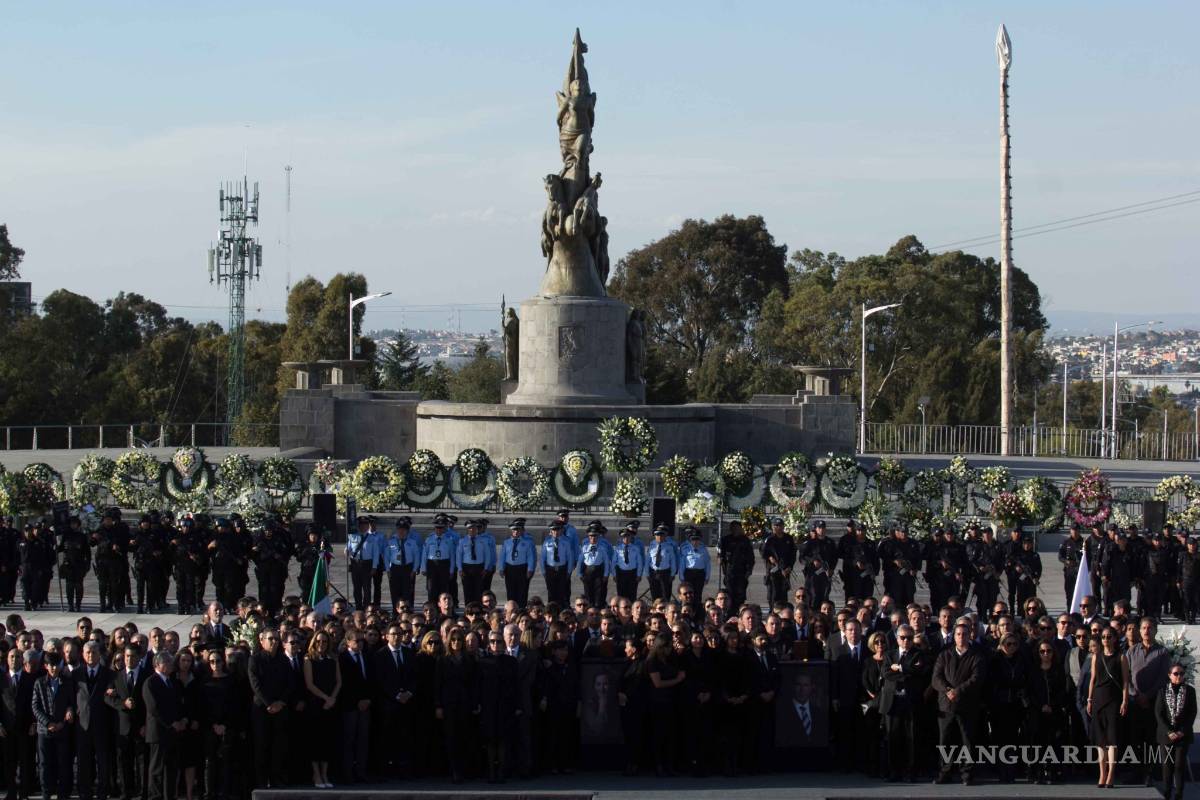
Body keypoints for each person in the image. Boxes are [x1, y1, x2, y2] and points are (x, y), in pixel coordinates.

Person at [931, 622, 984, 785]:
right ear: (954, 636)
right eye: (958, 634)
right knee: (945, 740)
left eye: (965, 634)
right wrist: (948, 690)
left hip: (967, 705)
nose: (962, 637)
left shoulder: (977, 655)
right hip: (945, 705)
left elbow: (976, 679)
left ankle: (967, 774)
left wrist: (958, 691)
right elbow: (936, 678)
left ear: (970, 636)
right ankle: (944, 772)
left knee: (967, 741)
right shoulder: (944, 654)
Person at [248, 629, 292, 789]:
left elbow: (289, 684)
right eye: (270, 639)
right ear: (262, 641)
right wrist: (269, 704)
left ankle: (276, 778)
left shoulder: (283, 660)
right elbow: (255, 685)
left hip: (280, 709)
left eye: (276, 639)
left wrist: (280, 702)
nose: (274, 642)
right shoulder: (255, 659)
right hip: (262, 710)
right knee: (261, 746)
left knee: (278, 746)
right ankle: (261, 780)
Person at [1087, 627, 1130, 789]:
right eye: (1103, 637)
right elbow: (1092, 679)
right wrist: (1090, 699)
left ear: (1114, 638)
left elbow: (1126, 681)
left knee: (1112, 740)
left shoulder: (1121, 657)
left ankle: (1111, 773)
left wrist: (1125, 700)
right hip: (1098, 699)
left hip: (1114, 701)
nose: (1105, 639)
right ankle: (1102, 773)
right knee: (1100, 741)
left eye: (1109, 636)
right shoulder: (1096, 656)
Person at [435, 628, 479, 784]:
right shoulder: (443, 660)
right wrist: (438, 705)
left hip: (465, 703)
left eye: (459, 640)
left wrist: (474, 703)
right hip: (449, 703)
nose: (456, 643)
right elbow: (438, 684)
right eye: (453, 640)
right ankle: (454, 770)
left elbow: (474, 684)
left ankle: (465, 769)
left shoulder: (469, 660)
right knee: (451, 738)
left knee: (465, 737)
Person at [1027, 636, 1072, 784]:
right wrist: (1041, 706)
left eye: (1048, 651)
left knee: (1055, 742)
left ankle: (1053, 772)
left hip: (1055, 712)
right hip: (1037, 711)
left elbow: (1063, 690)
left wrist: (1052, 705)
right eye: (1042, 651)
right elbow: (1030, 692)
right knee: (1038, 742)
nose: (1045, 654)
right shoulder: (1033, 670)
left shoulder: (1058, 670)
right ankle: (1037, 772)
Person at [73, 642, 114, 800]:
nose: (91, 655)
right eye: (88, 652)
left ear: (99, 654)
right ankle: (85, 791)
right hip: (82, 724)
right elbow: (72, 696)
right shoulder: (76, 674)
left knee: (103, 761)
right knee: (83, 761)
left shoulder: (108, 674)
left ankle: (103, 791)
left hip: (102, 724)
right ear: (83, 654)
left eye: (94, 652)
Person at [199, 648, 241, 800]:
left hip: (227, 726)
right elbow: (202, 707)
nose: (215, 664)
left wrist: (225, 725)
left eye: (218, 661)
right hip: (209, 726)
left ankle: (224, 791)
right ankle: (209, 792)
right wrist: (213, 725)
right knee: (209, 761)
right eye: (211, 661)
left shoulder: (231, 681)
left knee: (226, 760)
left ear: (223, 662)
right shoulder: (204, 682)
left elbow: (235, 706)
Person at [32, 653, 75, 800]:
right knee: (44, 763)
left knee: (63, 762)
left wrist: (67, 715)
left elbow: (71, 703)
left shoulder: (67, 682)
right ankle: (46, 793)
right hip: (45, 731)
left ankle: (63, 793)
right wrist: (48, 723)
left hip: (62, 728)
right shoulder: (39, 682)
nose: (54, 668)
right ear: (46, 666)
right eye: (51, 665)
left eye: (57, 664)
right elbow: (35, 706)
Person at [477, 631, 518, 783]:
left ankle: (501, 770)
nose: (496, 644)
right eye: (493, 641)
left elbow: (516, 685)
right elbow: (478, 685)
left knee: (503, 740)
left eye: (499, 641)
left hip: (505, 705)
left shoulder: (511, 661)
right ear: (488, 644)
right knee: (489, 740)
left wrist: (516, 705)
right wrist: (478, 703)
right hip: (488, 705)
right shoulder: (482, 662)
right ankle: (491, 771)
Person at [301, 630, 340, 788]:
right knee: (315, 741)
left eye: (324, 641)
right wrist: (326, 698)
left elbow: (339, 682)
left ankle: (325, 774)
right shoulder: (308, 659)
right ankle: (316, 774)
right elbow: (310, 684)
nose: (321, 644)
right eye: (318, 641)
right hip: (316, 704)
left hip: (330, 705)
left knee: (327, 741)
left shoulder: (333, 659)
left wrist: (332, 698)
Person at [141, 652, 182, 800]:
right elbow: (154, 708)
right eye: (168, 662)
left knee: (170, 768)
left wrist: (180, 721)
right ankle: (155, 796)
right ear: (158, 665)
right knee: (157, 769)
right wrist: (171, 723)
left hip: (171, 733)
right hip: (158, 732)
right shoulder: (151, 682)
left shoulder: (170, 681)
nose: (171, 665)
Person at [1155, 663, 1196, 800]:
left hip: (1182, 735)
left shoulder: (1190, 691)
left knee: (1179, 765)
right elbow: (1159, 713)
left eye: (1182, 674)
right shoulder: (1162, 690)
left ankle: (1179, 794)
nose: (1179, 676)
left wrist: (1181, 731)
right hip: (1166, 735)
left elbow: (1192, 712)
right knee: (1167, 766)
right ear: (1169, 675)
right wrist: (1169, 731)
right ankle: (1166, 792)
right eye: (1176, 673)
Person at [338, 630, 372, 784]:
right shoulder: (342, 659)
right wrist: (356, 701)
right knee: (349, 740)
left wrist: (367, 699)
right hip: (349, 706)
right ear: (348, 642)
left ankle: (361, 772)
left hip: (366, 705)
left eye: (361, 641)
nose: (360, 644)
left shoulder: (368, 656)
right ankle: (347, 774)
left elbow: (372, 680)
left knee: (363, 740)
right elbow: (343, 685)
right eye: (356, 641)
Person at [718, 521, 755, 610]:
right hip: (729, 572)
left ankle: (739, 612)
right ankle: (729, 613)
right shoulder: (725, 540)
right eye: (733, 528)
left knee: (740, 595)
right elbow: (720, 553)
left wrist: (749, 571)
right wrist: (720, 558)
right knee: (729, 594)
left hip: (742, 572)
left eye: (737, 528)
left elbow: (751, 558)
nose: (735, 530)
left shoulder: (745, 540)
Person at [761, 518, 796, 608]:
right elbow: (763, 552)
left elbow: (793, 555)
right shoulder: (769, 539)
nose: (778, 527)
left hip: (785, 571)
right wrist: (770, 558)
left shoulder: (788, 538)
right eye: (776, 526)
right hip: (773, 570)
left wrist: (790, 567)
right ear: (772, 527)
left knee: (783, 594)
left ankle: (783, 611)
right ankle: (773, 611)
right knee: (773, 595)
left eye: (780, 525)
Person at [499, 520, 535, 608]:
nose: (515, 532)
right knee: (510, 591)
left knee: (522, 591)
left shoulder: (528, 542)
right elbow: (502, 556)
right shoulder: (507, 542)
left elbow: (531, 557)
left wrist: (530, 569)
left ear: (521, 531)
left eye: (518, 530)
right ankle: (511, 608)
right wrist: (501, 568)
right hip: (510, 568)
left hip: (522, 568)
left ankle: (521, 609)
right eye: (514, 530)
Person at [540, 522, 575, 608]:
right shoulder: (547, 542)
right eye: (553, 530)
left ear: (561, 530)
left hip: (562, 569)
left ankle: (561, 610)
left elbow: (570, 557)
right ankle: (551, 610)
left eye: (557, 530)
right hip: (550, 569)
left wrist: (569, 571)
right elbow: (542, 558)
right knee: (551, 592)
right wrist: (544, 571)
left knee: (562, 592)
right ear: (551, 531)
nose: (555, 532)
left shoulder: (566, 542)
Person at [577, 522, 612, 607]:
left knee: (599, 590)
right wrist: (579, 573)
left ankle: (598, 606)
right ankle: (589, 606)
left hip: (598, 571)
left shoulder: (602, 548)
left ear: (598, 537)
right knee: (588, 590)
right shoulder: (585, 547)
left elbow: (606, 562)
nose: (593, 538)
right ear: (588, 537)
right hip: (588, 571)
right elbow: (580, 561)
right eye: (591, 536)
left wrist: (606, 574)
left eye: (595, 536)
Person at [612, 524, 644, 602]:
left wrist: (639, 574)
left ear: (631, 537)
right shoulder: (617, 549)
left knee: (632, 594)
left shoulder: (636, 549)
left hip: (632, 573)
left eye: (628, 536)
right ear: (622, 538)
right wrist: (614, 574)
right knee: (621, 594)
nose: (626, 539)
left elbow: (639, 562)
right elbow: (613, 562)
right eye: (624, 537)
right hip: (621, 573)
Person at [646, 525, 678, 601]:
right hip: (653, 572)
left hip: (665, 573)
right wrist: (647, 574)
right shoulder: (651, 547)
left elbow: (673, 562)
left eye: (661, 535)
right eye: (657, 535)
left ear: (665, 536)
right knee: (654, 593)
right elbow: (647, 561)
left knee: (666, 593)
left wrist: (672, 574)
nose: (659, 537)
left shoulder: (669, 547)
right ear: (655, 536)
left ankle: (667, 610)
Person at [678, 528, 710, 598]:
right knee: (687, 594)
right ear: (690, 540)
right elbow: (682, 564)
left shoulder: (703, 549)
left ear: (700, 540)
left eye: (697, 539)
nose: (695, 542)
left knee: (698, 594)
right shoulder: (685, 549)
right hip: (689, 573)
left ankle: (697, 608)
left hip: (700, 574)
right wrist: (682, 577)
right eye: (693, 539)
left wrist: (707, 577)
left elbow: (707, 564)